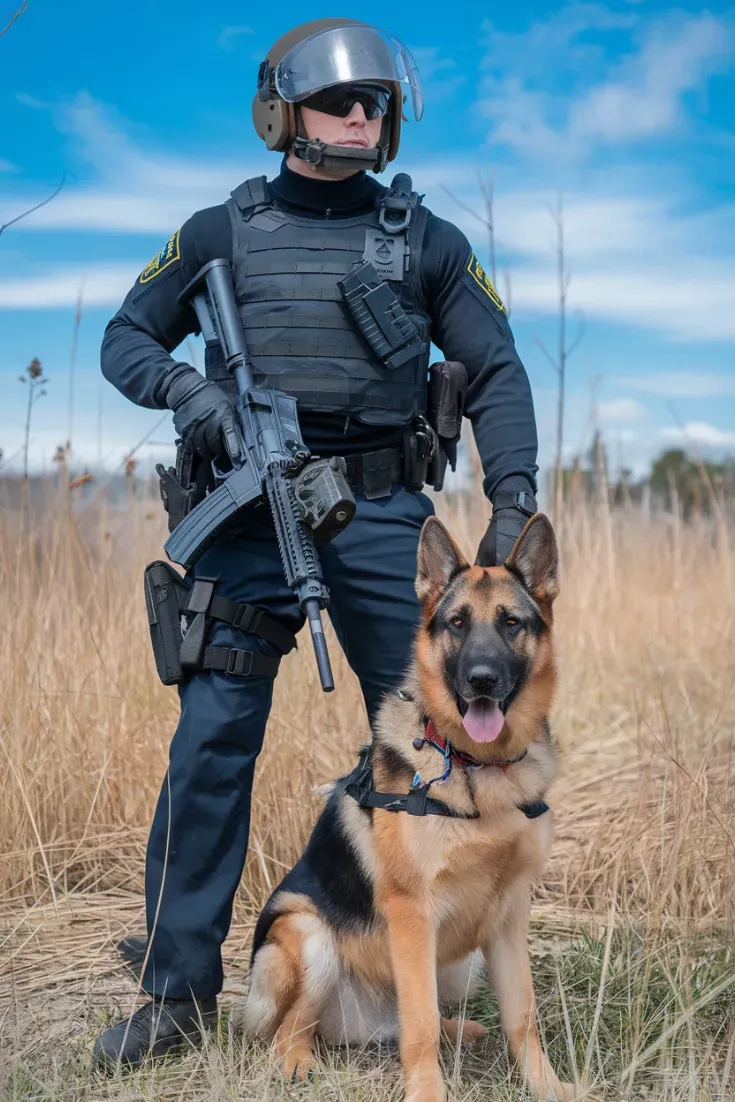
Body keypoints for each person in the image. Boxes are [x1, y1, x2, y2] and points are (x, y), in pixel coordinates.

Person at [93, 17, 539, 1070]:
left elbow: (501, 369)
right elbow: (124, 337)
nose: (360, 115)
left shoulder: (426, 239)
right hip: (248, 516)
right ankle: (175, 986)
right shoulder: (218, 231)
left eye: (376, 103)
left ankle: (408, 964)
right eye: (340, 100)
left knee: (452, 730)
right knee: (211, 744)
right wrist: (193, 392)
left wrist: (511, 506)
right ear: (282, 112)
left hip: (382, 512)